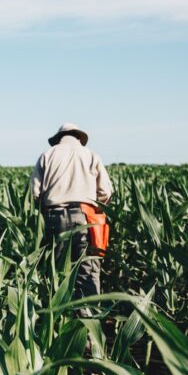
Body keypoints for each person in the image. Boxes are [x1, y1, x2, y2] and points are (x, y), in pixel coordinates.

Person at [31, 123, 113, 317]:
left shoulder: (47, 155)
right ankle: (89, 328)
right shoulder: (91, 155)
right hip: (85, 217)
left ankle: (58, 323)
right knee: (87, 271)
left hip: (53, 218)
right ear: (78, 137)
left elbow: (34, 193)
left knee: (56, 271)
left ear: (59, 138)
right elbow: (106, 192)